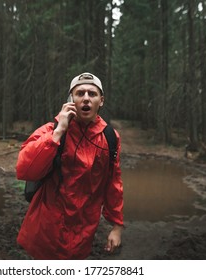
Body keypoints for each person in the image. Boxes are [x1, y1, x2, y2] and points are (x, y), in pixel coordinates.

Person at [15, 72, 124, 259]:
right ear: (71, 99)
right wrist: (58, 132)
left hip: (83, 233)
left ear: (101, 101)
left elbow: (113, 183)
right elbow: (25, 169)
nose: (86, 99)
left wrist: (116, 226)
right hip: (46, 230)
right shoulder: (51, 130)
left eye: (92, 93)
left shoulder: (110, 138)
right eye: (80, 93)